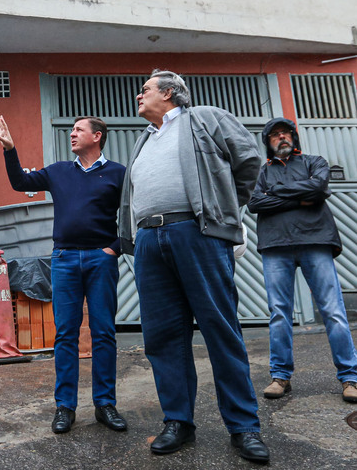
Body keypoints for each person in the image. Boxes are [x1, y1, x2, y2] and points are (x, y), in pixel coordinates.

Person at [118, 69, 270, 464]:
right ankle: (178, 423)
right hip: (150, 239)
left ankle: (244, 427)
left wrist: (225, 210)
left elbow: (249, 160)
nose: (139, 94)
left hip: (197, 233)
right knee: (163, 337)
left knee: (221, 330)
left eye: (146, 89)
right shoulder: (144, 139)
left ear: (169, 93)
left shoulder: (204, 117)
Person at [0, 115, 127, 435]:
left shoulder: (118, 173)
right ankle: (65, 407)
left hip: (101, 260)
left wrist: (116, 247)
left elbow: (134, 211)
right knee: (66, 334)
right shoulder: (58, 171)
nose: (72, 134)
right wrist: (10, 150)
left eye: (79, 130)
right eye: (71, 129)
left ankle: (105, 404)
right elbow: (20, 183)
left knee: (104, 333)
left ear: (97, 136)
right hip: (65, 260)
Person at [247, 117, 357, 404]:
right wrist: (300, 196)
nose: (282, 137)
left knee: (333, 311)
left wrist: (278, 193)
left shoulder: (313, 162)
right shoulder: (263, 172)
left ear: (293, 137)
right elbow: (255, 203)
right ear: (268, 143)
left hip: (315, 241)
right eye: (275, 135)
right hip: (275, 245)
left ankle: (350, 377)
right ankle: (280, 376)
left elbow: (319, 189)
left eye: (286, 133)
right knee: (279, 313)